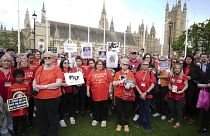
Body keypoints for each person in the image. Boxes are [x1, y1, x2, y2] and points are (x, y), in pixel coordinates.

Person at [32, 51, 63, 136]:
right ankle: (42, 133)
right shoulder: (40, 68)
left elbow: (58, 84)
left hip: (52, 97)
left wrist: (43, 87)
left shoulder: (57, 69)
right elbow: (34, 79)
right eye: (45, 57)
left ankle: (54, 133)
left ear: (53, 59)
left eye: (49, 57)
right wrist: (34, 86)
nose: (47, 59)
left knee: (52, 117)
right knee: (41, 117)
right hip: (39, 97)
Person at [86, 60, 113, 127]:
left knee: (104, 106)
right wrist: (87, 91)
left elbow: (111, 81)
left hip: (104, 92)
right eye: (98, 64)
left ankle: (104, 119)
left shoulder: (106, 71)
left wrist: (110, 89)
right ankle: (96, 119)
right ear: (96, 65)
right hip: (95, 93)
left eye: (101, 64)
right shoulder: (92, 72)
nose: (99, 65)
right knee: (96, 106)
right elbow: (88, 82)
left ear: (103, 65)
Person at [113, 58, 135, 132]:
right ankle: (119, 123)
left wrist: (129, 86)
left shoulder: (131, 73)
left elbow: (133, 85)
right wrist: (120, 81)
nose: (125, 66)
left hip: (128, 95)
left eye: (126, 64)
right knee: (119, 110)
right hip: (118, 95)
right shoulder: (117, 73)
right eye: (123, 64)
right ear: (120, 65)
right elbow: (113, 83)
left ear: (128, 65)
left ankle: (126, 124)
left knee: (127, 110)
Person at [7, 69, 30, 136]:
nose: (20, 78)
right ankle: (15, 132)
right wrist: (11, 107)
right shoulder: (11, 87)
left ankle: (24, 132)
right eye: (18, 77)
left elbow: (28, 95)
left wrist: (26, 102)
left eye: (21, 76)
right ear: (14, 78)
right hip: (15, 109)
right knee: (15, 121)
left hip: (24, 108)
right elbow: (9, 98)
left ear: (23, 77)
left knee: (24, 120)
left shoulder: (26, 86)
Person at [135, 60, 156, 131]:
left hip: (148, 95)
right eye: (144, 64)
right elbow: (135, 84)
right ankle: (140, 121)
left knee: (146, 110)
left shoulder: (151, 73)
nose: (146, 66)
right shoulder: (137, 73)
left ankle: (147, 125)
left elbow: (153, 84)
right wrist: (140, 93)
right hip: (140, 94)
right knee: (141, 108)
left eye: (147, 64)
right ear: (141, 65)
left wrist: (145, 93)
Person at [168, 64, 188, 128]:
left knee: (179, 109)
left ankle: (178, 121)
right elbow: (169, 83)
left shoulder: (184, 76)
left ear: (180, 69)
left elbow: (186, 85)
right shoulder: (171, 76)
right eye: (175, 68)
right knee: (171, 107)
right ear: (173, 69)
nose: (177, 69)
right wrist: (169, 87)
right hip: (171, 94)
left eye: (178, 68)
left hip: (180, 95)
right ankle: (173, 117)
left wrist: (182, 91)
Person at [0, 54, 15, 136]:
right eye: (4, 61)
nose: (6, 62)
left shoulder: (14, 70)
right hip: (0, 97)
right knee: (2, 114)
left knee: (10, 113)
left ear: (11, 62)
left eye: (8, 61)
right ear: (1, 62)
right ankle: (3, 129)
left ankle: (10, 127)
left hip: (11, 96)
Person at [182, 55, 200, 124]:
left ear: (192, 60)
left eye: (190, 59)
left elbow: (199, 75)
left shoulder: (196, 67)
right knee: (185, 101)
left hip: (191, 87)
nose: (188, 60)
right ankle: (187, 114)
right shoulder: (183, 66)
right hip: (183, 86)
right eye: (187, 59)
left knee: (190, 101)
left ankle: (192, 116)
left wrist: (191, 77)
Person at [18, 57, 35, 127]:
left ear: (27, 62)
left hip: (31, 92)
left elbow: (34, 79)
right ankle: (22, 122)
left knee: (31, 107)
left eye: (25, 61)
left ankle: (31, 120)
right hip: (21, 92)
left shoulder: (32, 70)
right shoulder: (17, 71)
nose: (24, 63)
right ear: (20, 63)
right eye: (22, 61)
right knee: (22, 108)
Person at [58, 59, 75, 127]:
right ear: (62, 63)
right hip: (63, 91)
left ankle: (71, 116)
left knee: (71, 104)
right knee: (62, 105)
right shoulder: (59, 71)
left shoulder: (71, 70)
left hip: (71, 90)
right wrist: (62, 84)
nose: (66, 64)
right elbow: (56, 80)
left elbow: (75, 79)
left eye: (68, 63)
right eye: (65, 63)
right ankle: (61, 119)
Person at [196, 53, 210, 134]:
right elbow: (195, 77)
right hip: (203, 91)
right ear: (200, 58)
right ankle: (204, 127)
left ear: (207, 58)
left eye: (205, 57)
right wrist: (200, 84)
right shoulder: (197, 66)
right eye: (202, 57)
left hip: (207, 89)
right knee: (205, 110)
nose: (204, 58)